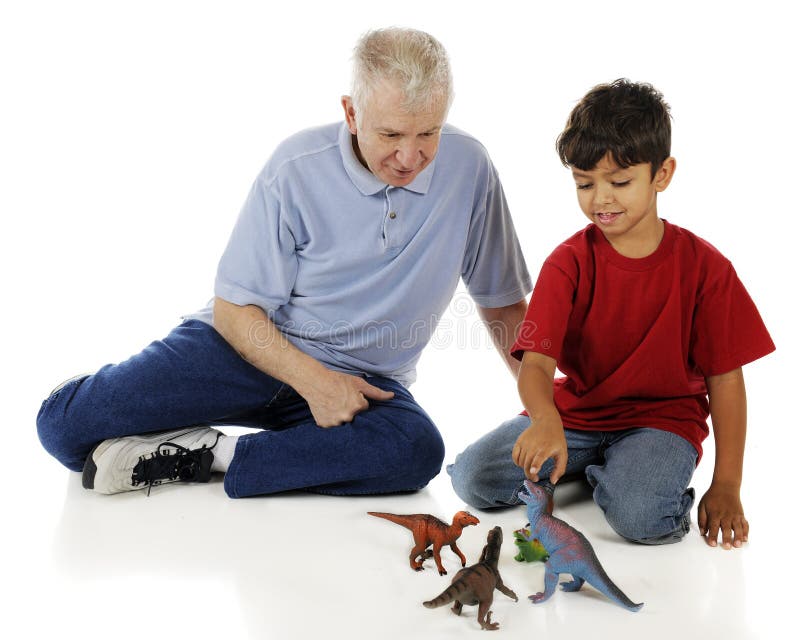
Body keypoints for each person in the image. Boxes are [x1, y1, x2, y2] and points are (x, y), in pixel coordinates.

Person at [36, 27, 531, 498]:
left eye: (429, 132)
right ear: (352, 114)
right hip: (244, 351)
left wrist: (548, 404)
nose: (410, 155)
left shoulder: (471, 168)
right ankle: (108, 396)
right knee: (62, 429)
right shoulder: (295, 168)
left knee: (414, 448)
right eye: (391, 134)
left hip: (363, 381)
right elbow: (235, 312)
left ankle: (205, 456)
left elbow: (504, 303)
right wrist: (315, 382)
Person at [448, 79, 774, 549]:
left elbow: (726, 380)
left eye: (619, 182)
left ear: (662, 175)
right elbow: (535, 364)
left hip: (662, 422)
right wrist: (545, 419)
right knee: (475, 478)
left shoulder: (706, 269)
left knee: (641, 518)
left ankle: (615, 477)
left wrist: (727, 484)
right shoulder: (568, 263)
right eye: (584, 183)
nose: (600, 199)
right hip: (576, 416)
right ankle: (592, 468)